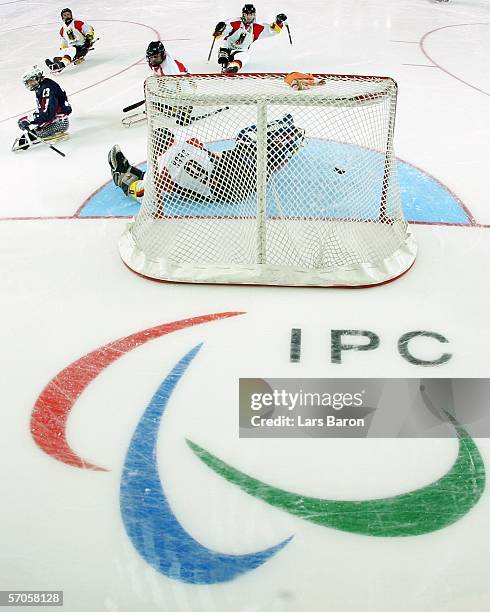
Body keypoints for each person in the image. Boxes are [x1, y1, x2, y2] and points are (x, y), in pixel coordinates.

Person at [108, 114, 305, 211]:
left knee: (145, 187)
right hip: (238, 177)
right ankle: (288, 142)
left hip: (229, 192)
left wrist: (136, 187)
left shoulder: (161, 169)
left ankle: (123, 179)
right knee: (246, 138)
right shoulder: (188, 141)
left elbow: (147, 195)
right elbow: (210, 155)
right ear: (171, 138)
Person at [212, 4, 287, 73]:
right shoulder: (235, 22)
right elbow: (224, 30)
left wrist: (278, 22)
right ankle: (224, 58)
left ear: (254, 15)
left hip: (240, 51)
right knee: (224, 55)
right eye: (247, 14)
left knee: (245, 56)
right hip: (227, 47)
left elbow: (272, 30)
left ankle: (233, 67)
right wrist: (219, 31)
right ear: (243, 14)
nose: (249, 17)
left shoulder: (257, 27)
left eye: (251, 14)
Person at [13, 66, 72, 151]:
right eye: (28, 82)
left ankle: (55, 133)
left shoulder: (47, 88)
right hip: (55, 121)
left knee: (26, 139)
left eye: (31, 81)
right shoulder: (43, 86)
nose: (30, 84)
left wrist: (28, 119)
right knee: (26, 139)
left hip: (58, 123)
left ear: (38, 77)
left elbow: (47, 113)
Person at [45, 8, 95, 73]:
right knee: (64, 50)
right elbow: (64, 43)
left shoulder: (77, 23)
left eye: (68, 14)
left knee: (72, 49)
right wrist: (63, 51)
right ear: (62, 18)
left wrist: (88, 40)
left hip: (82, 46)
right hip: (72, 47)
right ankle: (56, 63)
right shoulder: (62, 30)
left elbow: (89, 30)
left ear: (71, 15)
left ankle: (62, 64)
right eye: (64, 15)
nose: (67, 16)